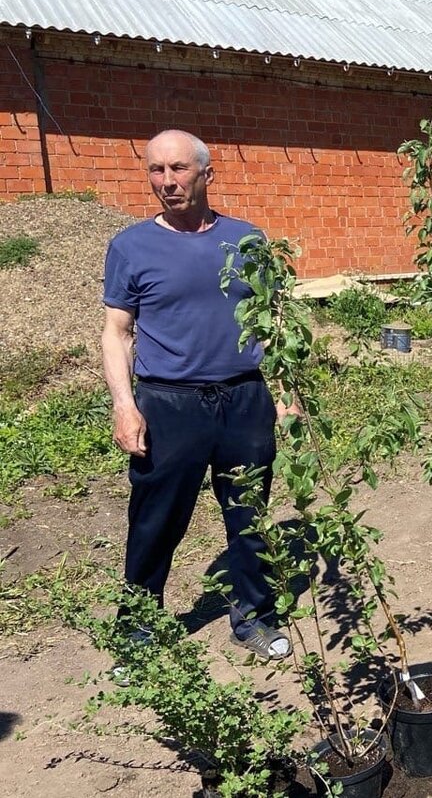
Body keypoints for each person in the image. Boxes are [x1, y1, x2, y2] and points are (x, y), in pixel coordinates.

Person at [101, 129, 294, 660]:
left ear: (207, 174)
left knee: (249, 515)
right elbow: (116, 332)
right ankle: (139, 631)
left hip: (244, 399)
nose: (167, 182)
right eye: (156, 171)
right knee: (156, 520)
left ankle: (253, 616)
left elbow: (271, 320)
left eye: (179, 169)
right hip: (169, 403)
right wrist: (125, 404)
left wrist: (285, 392)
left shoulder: (247, 239)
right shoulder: (131, 246)